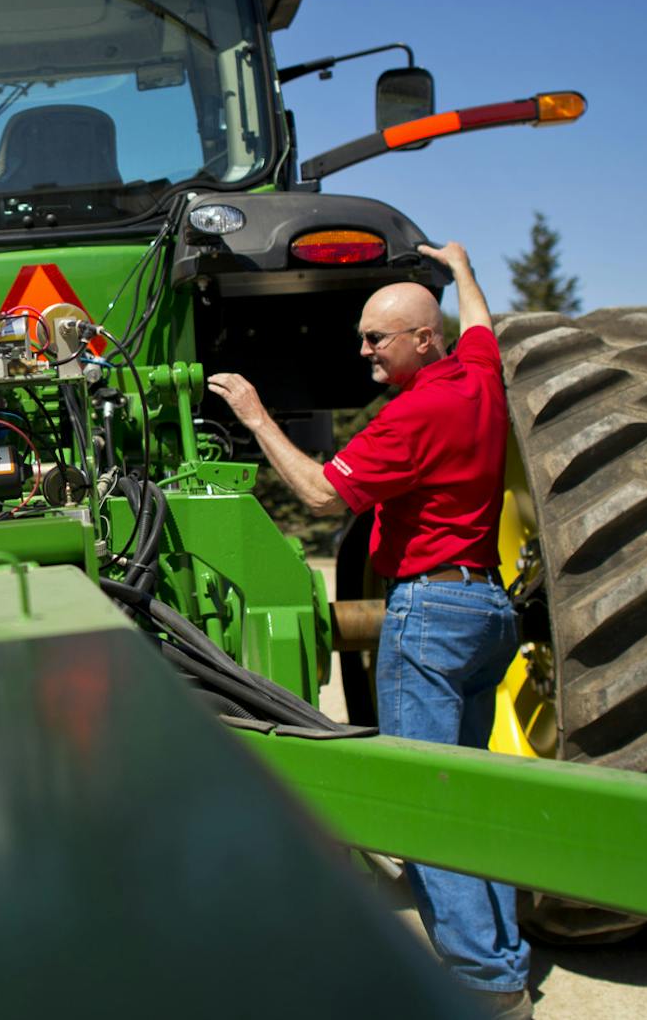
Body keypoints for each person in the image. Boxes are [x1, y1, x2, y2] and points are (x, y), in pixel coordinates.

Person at [206, 240, 530, 1019]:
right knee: (470, 788)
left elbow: (322, 493)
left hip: (429, 617)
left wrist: (253, 414)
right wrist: (460, 271)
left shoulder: (415, 413)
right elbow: (481, 325)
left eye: (376, 337)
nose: (363, 351)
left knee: (424, 804)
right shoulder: (479, 376)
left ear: (423, 340)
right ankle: (505, 956)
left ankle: (482, 984)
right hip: (489, 609)